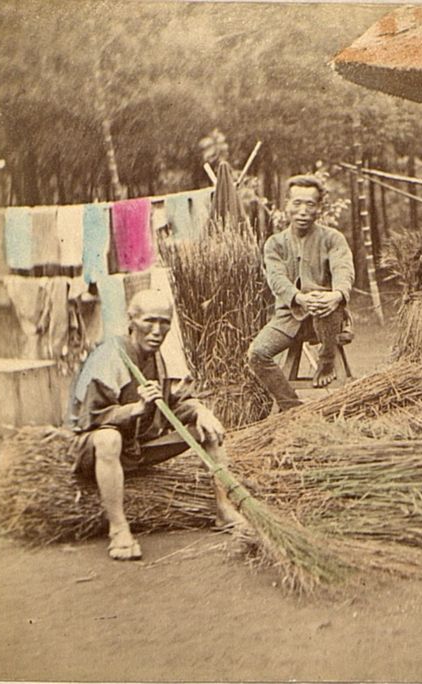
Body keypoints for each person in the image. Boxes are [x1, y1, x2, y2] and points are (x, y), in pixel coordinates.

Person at [69, 289, 245, 561]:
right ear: (131, 320)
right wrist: (135, 409)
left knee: (209, 430)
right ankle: (119, 529)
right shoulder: (110, 356)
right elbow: (90, 420)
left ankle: (224, 508)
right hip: (95, 449)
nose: (157, 330)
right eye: (149, 321)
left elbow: (174, 402)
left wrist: (200, 410)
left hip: (137, 447)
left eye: (164, 322)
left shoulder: (159, 358)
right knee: (109, 439)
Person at [247, 175, 355, 409]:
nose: (303, 211)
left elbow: (343, 270)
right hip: (289, 318)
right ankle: (292, 407)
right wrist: (299, 298)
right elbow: (277, 280)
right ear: (286, 205)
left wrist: (336, 295)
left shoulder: (333, 238)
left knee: (324, 299)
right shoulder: (274, 244)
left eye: (310, 204)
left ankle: (326, 360)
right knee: (257, 353)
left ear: (319, 208)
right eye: (297, 203)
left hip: (328, 316)